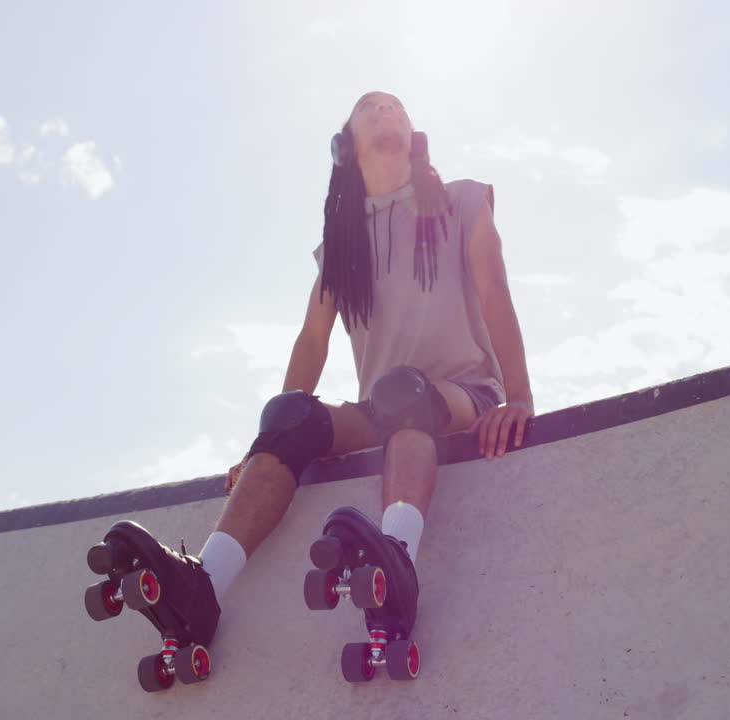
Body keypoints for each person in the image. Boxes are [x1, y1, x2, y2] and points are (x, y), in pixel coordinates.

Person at [92, 91, 533, 668]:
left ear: (414, 136)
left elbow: (496, 293)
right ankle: (204, 586)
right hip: (387, 407)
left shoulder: (464, 203)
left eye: (397, 108)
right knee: (288, 417)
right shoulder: (342, 248)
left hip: (460, 394)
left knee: (403, 392)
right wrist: (259, 451)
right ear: (346, 145)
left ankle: (395, 560)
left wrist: (521, 395)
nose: (387, 113)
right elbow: (312, 342)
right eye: (371, 108)